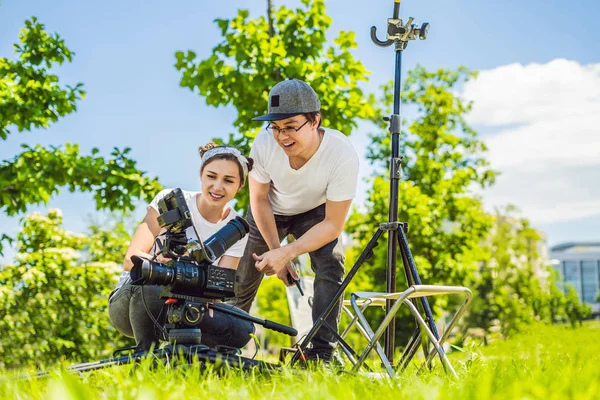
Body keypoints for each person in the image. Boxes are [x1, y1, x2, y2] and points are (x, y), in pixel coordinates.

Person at [235, 78, 359, 363]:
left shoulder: (341, 154)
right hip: (270, 210)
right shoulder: (264, 143)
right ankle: (223, 344)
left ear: (315, 121)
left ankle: (322, 352)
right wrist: (275, 250)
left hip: (315, 213)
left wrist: (287, 253)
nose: (282, 137)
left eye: (291, 126)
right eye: (276, 128)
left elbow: (333, 225)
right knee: (243, 277)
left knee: (331, 263)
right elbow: (259, 199)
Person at [108, 143, 256, 352]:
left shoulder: (236, 227)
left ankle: (193, 355)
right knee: (153, 283)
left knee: (243, 327)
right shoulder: (170, 200)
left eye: (228, 181)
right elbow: (130, 259)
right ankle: (145, 355)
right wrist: (167, 264)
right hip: (135, 299)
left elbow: (220, 285)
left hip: (189, 304)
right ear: (201, 176)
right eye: (211, 176)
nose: (217, 187)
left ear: (240, 186)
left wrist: (201, 288)